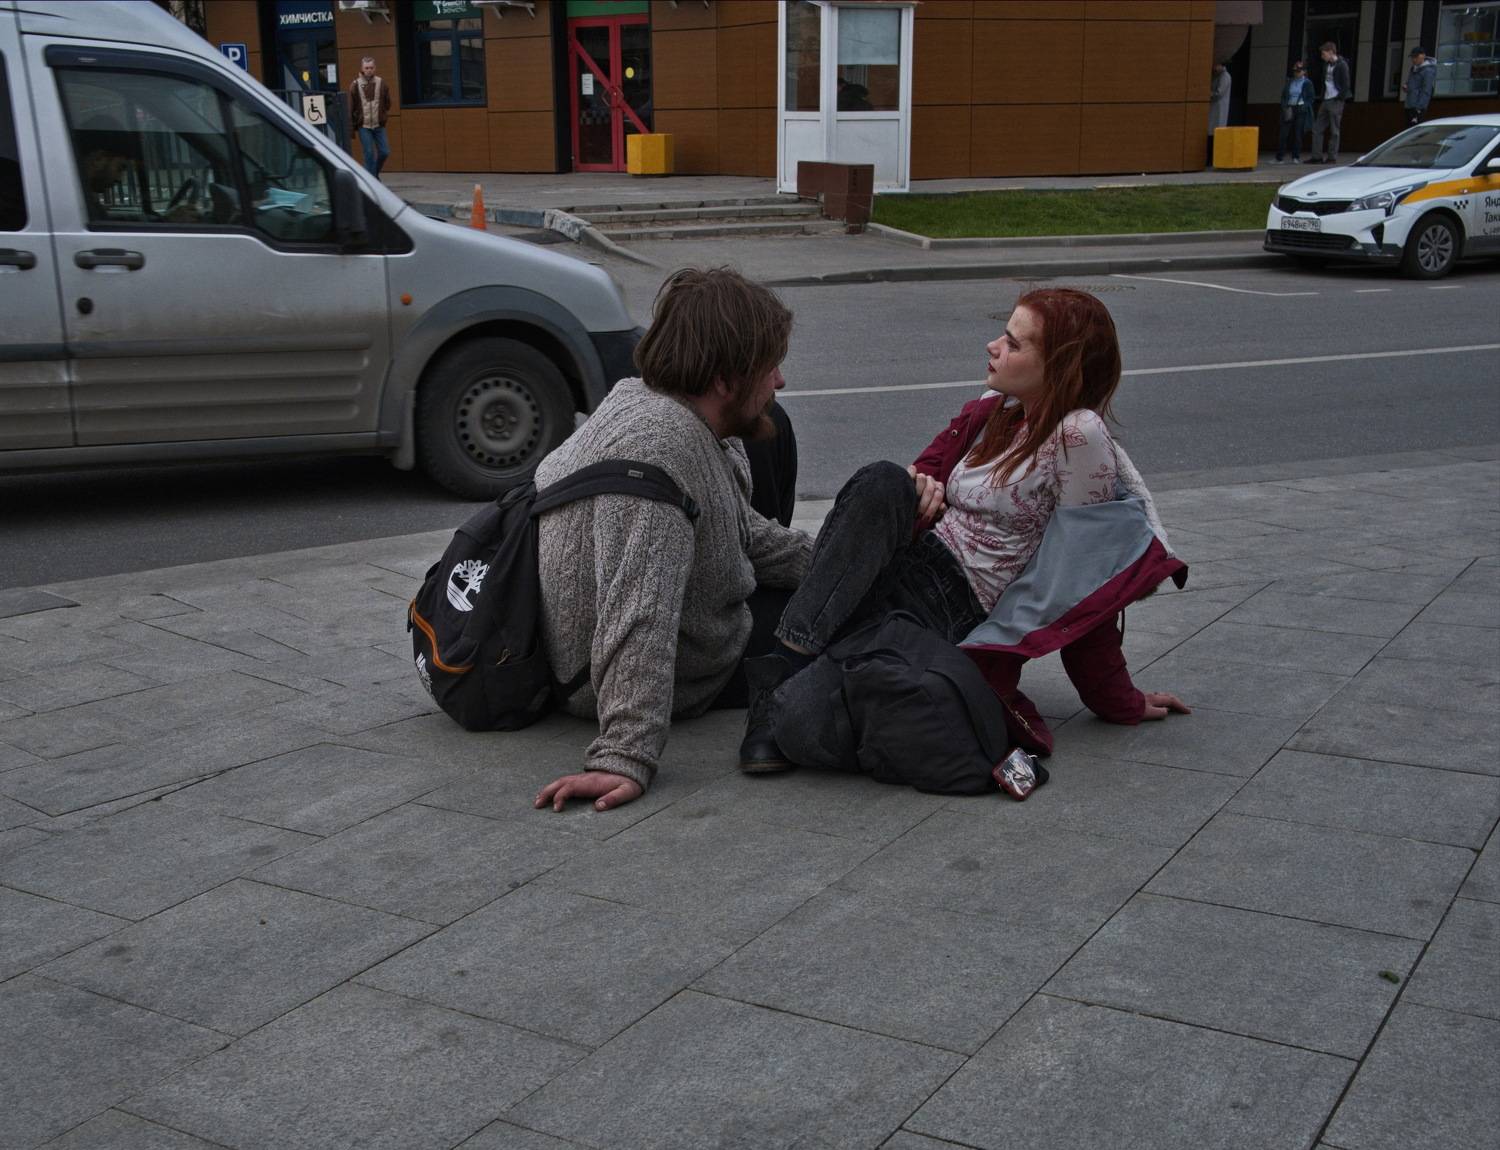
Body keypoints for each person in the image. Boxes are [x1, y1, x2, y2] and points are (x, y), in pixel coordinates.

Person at [739, 288, 1190, 773]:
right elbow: (914, 480)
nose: (993, 346)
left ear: (1062, 365)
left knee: (801, 721)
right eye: (1003, 335)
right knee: (883, 480)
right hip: (902, 564)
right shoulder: (991, 412)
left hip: (948, 610)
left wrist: (1117, 699)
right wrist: (918, 490)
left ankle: (781, 691)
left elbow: (1086, 575)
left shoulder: (1077, 434)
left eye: (1014, 344)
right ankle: (785, 669)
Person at [533, 268, 811, 813]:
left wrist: (835, 561)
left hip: (631, 631)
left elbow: (742, 532)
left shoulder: (653, 401)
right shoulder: (659, 453)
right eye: (770, 366)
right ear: (724, 381)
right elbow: (639, 609)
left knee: (776, 432)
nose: (780, 380)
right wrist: (624, 755)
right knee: (831, 624)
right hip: (603, 676)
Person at [1310, 41, 1352, 164]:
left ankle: (1331, 157)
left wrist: (1340, 98)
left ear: (1330, 52)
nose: (1322, 56)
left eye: (1324, 54)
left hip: (1335, 100)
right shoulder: (1327, 65)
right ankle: (1317, 156)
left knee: (1334, 130)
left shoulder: (1342, 65)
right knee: (1317, 128)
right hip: (1326, 99)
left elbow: (1346, 84)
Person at [349, 56, 391, 179]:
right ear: (362, 69)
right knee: (369, 154)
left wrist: (382, 115)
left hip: (379, 125)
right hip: (364, 126)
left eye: (371, 68)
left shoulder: (381, 83)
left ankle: (374, 174)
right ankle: (371, 180)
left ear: (375, 68)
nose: (369, 70)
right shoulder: (355, 85)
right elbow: (351, 107)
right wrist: (351, 127)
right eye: (366, 68)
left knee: (385, 152)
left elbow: (388, 103)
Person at [1277, 61, 1315, 163]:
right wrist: (1284, 106)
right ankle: (1279, 157)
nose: (1296, 73)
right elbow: (1284, 95)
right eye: (1295, 71)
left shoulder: (1307, 83)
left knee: (1298, 134)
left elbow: (1311, 97)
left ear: (1304, 71)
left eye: (1299, 71)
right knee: (1283, 133)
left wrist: (1304, 105)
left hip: (1300, 109)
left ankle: (1295, 156)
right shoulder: (1290, 81)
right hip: (1289, 107)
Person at [1402, 47, 1436, 127]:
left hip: (1417, 107)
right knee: (1409, 129)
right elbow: (1412, 83)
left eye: (1416, 57)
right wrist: (1406, 86)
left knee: (1415, 129)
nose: (1414, 59)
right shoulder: (1413, 68)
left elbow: (1426, 90)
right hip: (1409, 104)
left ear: (1423, 56)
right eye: (1412, 57)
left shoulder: (1428, 71)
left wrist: (1419, 108)